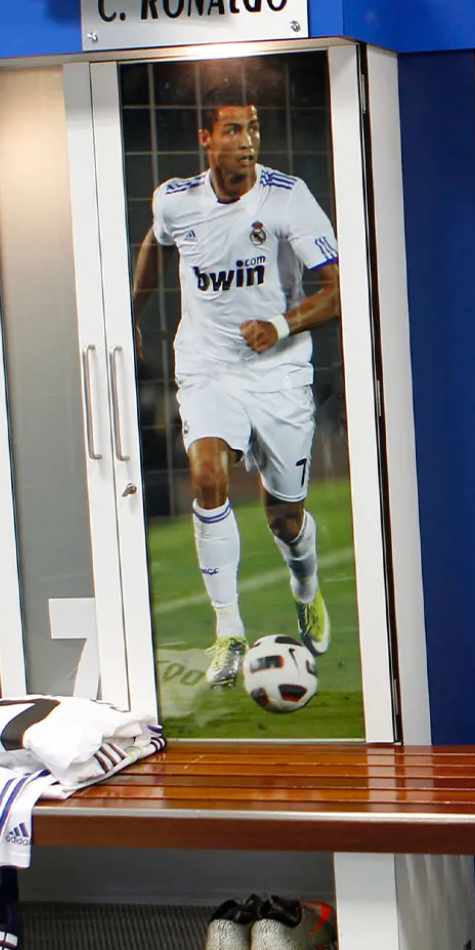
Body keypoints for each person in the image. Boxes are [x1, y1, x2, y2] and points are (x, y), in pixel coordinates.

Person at [131, 84, 339, 688]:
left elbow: (339, 288)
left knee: (285, 514)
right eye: (232, 131)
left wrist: (278, 325)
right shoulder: (175, 201)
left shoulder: (288, 200)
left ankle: (306, 587)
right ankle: (228, 629)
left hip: (278, 372)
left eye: (252, 130)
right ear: (206, 140)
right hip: (207, 364)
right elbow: (155, 241)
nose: (246, 142)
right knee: (206, 475)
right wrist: (133, 315)